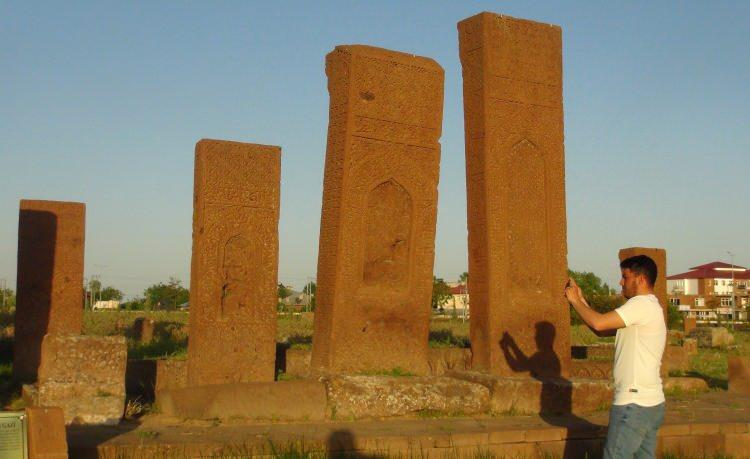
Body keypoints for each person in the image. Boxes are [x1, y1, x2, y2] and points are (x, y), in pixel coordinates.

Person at [564, 255, 666, 459]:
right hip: (651, 403)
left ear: (641, 279)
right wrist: (582, 301)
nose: (620, 282)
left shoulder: (641, 304)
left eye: (625, 277)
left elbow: (599, 323)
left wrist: (574, 301)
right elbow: (602, 329)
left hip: (634, 403)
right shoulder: (651, 307)